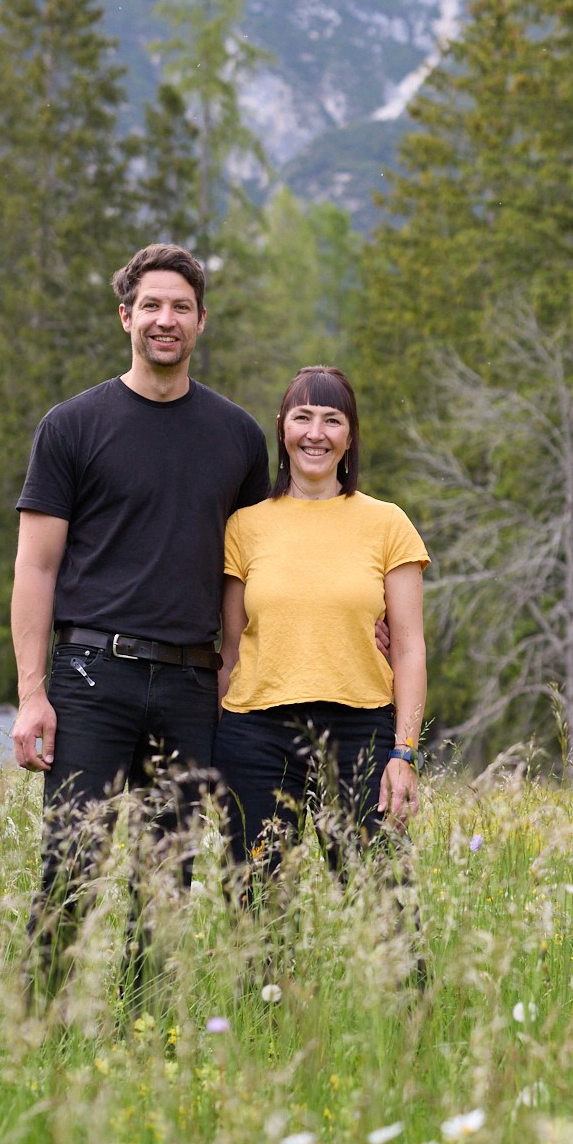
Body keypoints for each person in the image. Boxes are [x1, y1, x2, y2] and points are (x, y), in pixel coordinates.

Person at [11, 242, 269, 1001]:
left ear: (201, 321)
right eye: (151, 305)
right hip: (91, 675)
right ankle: (35, 1030)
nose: (166, 319)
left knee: (169, 874)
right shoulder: (73, 426)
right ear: (126, 316)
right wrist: (33, 691)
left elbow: (252, 569)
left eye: (181, 307)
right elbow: (36, 568)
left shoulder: (237, 437)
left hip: (193, 685)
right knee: (74, 861)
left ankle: (140, 1035)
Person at [214, 365, 428, 889]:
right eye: (303, 417)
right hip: (256, 732)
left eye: (332, 420)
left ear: (350, 437)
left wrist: (404, 752)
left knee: (383, 905)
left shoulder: (387, 523)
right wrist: (212, 740)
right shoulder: (244, 526)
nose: (316, 433)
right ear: (282, 429)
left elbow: (408, 648)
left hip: (361, 730)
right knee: (257, 905)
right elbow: (230, 649)